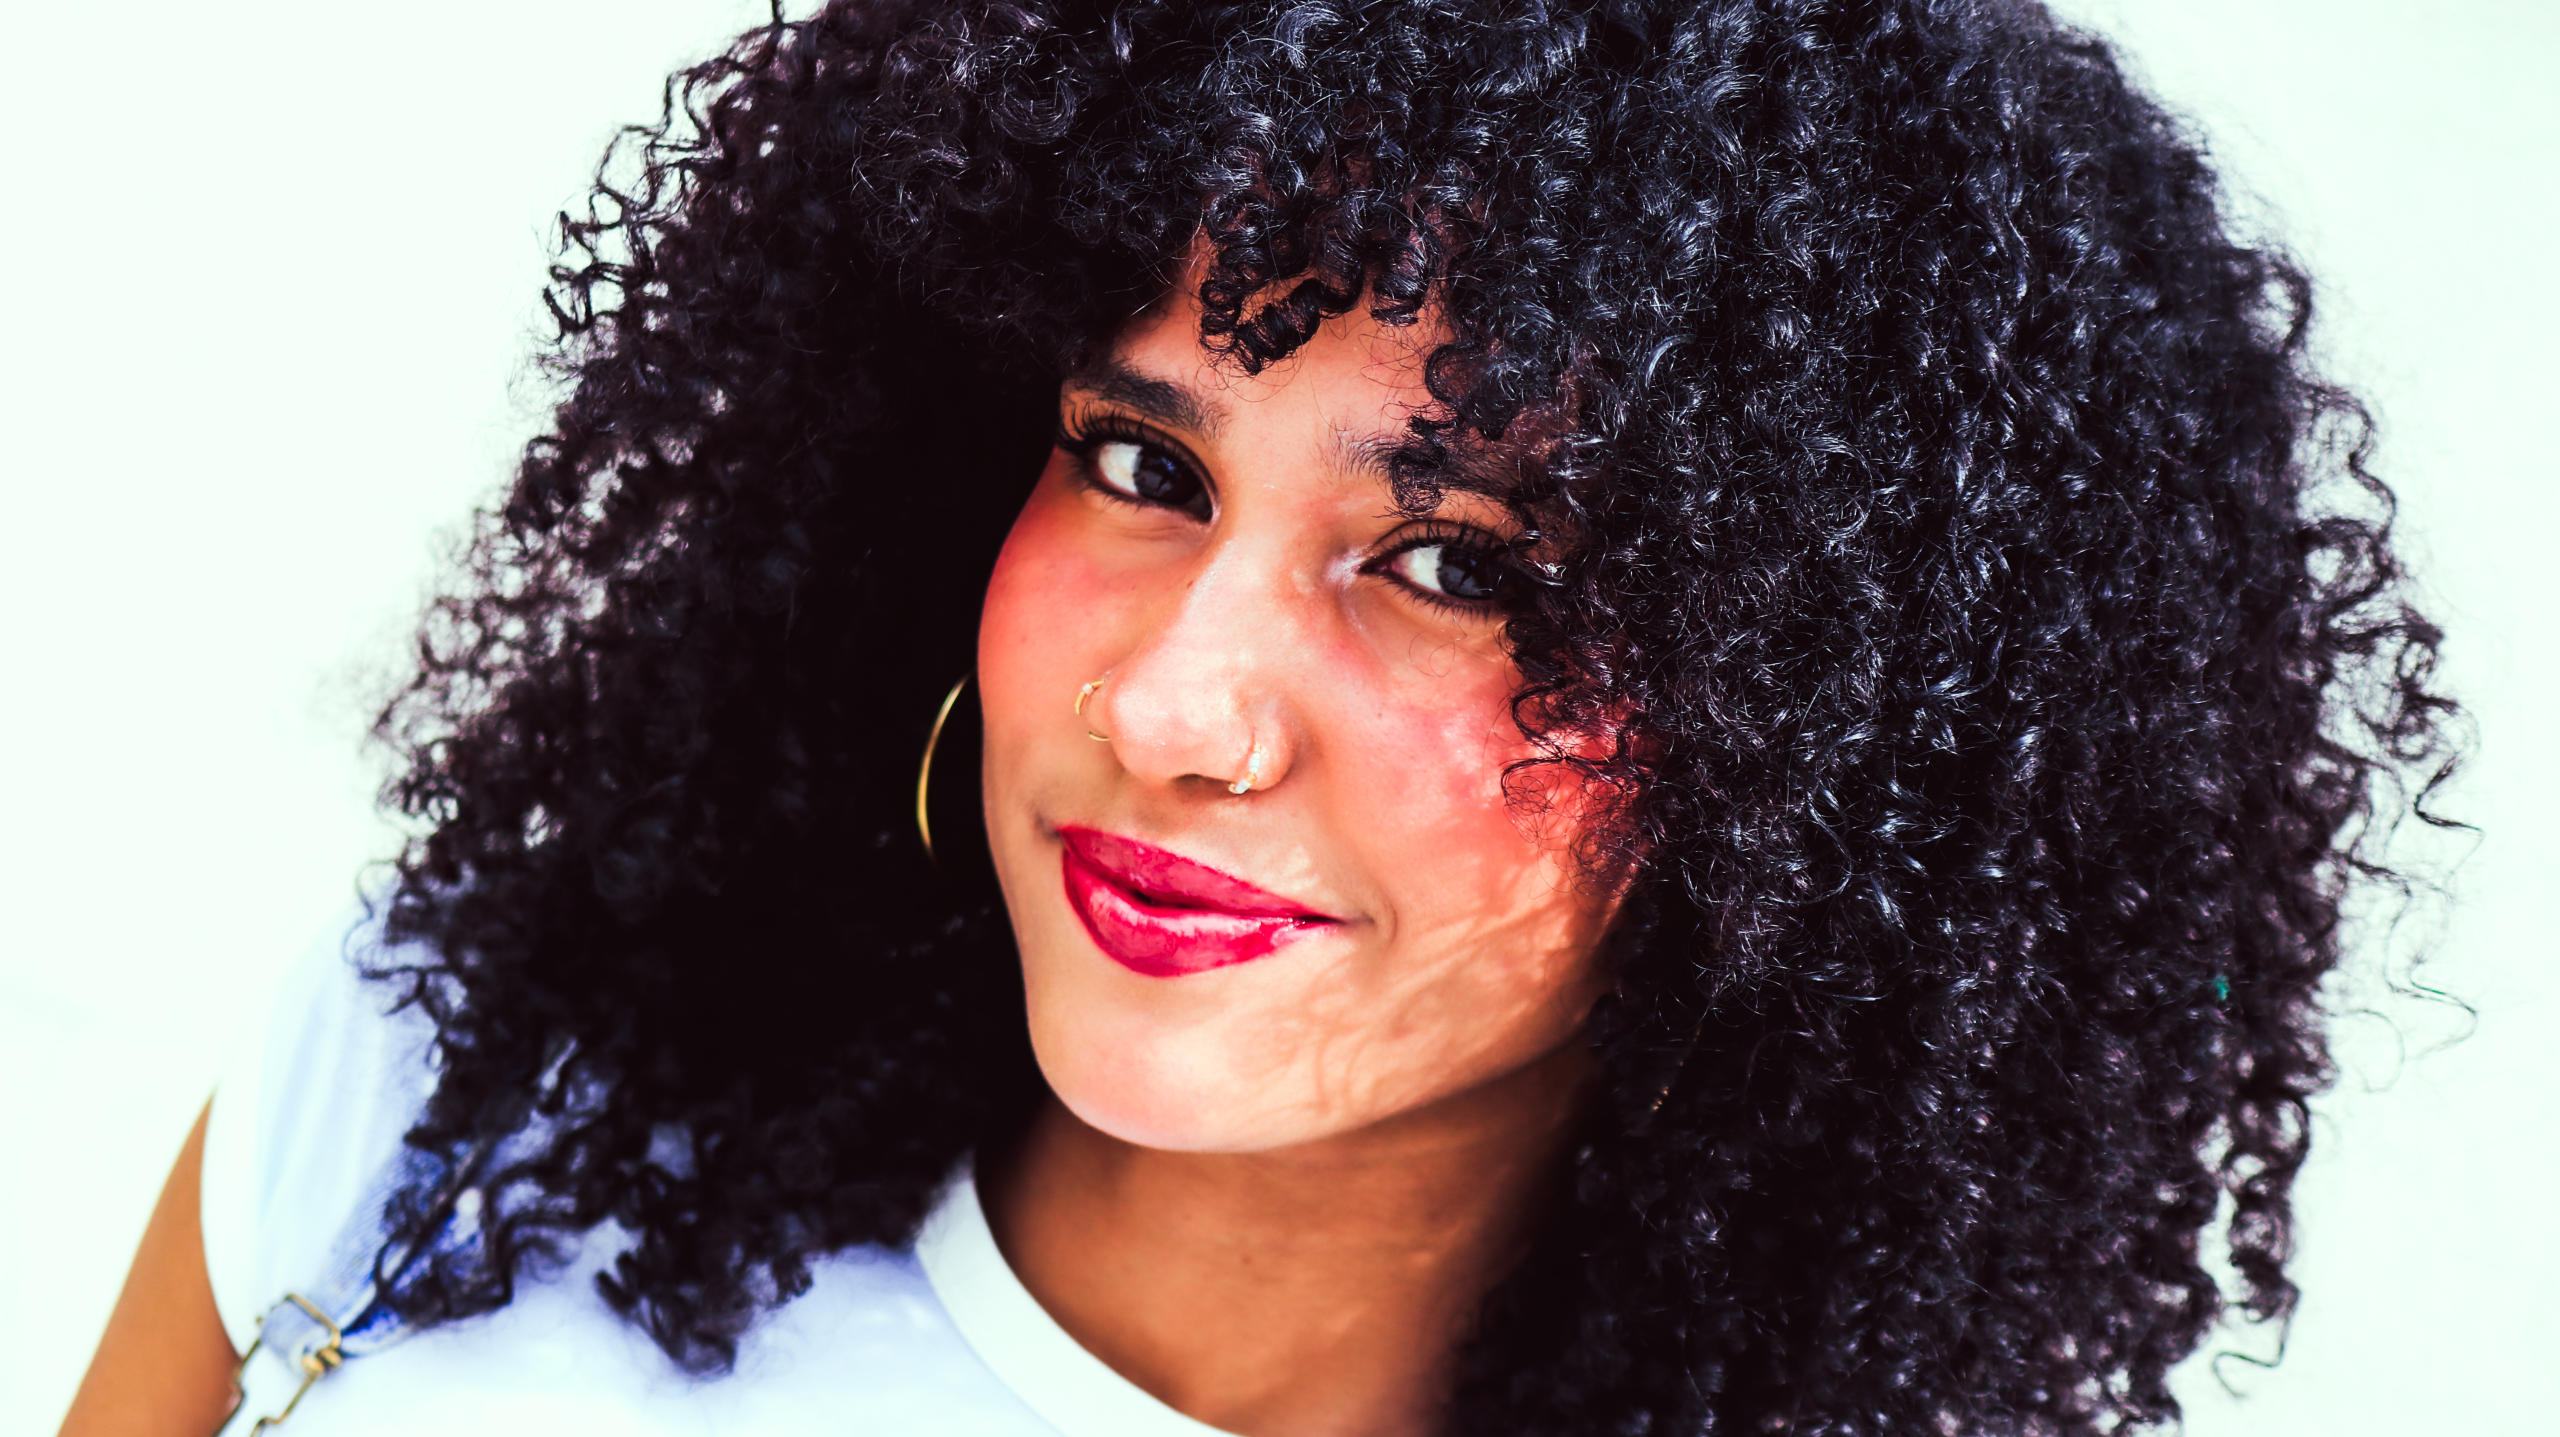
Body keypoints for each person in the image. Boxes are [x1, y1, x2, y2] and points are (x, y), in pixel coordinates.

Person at [62, 1, 2458, 1433]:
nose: (1177, 702)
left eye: (1458, 567)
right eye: (1138, 464)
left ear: (1821, 763)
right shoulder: (458, 1107)